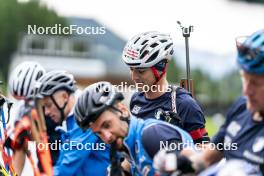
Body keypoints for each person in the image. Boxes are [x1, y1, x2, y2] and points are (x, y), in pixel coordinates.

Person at [153, 29, 264, 175]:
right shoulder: (241, 108)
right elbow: (205, 160)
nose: (246, 91)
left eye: (255, 83)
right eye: (245, 79)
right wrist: (182, 162)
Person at [74, 81, 194, 176]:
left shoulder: (151, 135)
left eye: (107, 125)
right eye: (99, 133)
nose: (107, 136)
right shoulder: (131, 147)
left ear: (123, 111)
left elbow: (193, 162)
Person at [122, 31, 209, 144]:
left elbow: (204, 151)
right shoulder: (135, 99)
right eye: (131, 69)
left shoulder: (184, 104)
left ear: (161, 67)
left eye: (141, 71)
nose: (134, 77)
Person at [34, 70, 110, 176]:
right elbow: (62, 162)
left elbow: (67, 166)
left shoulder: (85, 117)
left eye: (49, 105)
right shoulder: (69, 121)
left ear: (65, 97)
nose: (46, 112)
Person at [7, 61, 60, 175]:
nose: (26, 105)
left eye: (29, 99)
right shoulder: (22, 110)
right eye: (21, 100)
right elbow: (18, 148)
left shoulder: (57, 109)